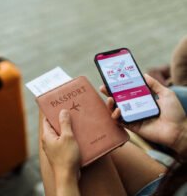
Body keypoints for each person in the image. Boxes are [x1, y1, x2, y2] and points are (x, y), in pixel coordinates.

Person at [39, 74, 187, 196]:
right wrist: (179, 135)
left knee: (50, 111)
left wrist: (64, 175)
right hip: (173, 184)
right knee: (56, 105)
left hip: (174, 184)